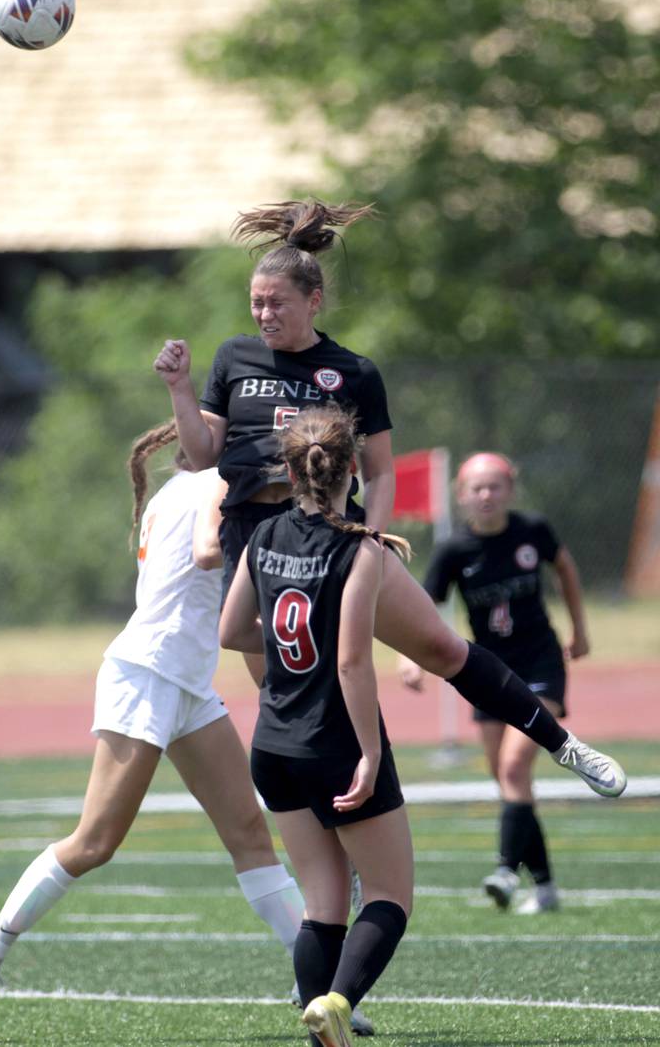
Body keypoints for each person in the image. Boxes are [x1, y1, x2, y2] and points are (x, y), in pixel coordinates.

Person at [153, 198, 627, 802]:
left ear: (313, 300)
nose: (264, 313)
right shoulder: (233, 357)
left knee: (441, 648)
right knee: (294, 698)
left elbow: (379, 474)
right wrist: (178, 388)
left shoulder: (352, 371)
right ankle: (342, 841)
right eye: (257, 302)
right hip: (258, 542)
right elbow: (199, 457)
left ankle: (562, 743)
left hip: (335, 537)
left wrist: (370, 542)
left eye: (277, 302)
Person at [0, 422, 308, 1033]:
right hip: (147, 672)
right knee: (95, 843)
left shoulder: (201, 485)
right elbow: (209, 553)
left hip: (187, 682)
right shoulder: (212, 485)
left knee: (251, 832)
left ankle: (321, 984)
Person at [220, 403, 413, 1047]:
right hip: (331, 742)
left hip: (272, 743)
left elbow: (230, 630)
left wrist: (284, 651)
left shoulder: (264, 535)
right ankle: (336, 1002)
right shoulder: (361, 547)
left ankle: (318, 1024)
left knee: (323, 901)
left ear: (291, 468)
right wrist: (369, 754)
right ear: (350, 468)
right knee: (388, 894)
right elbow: (353, 661)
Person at [419, 451, 594, 914]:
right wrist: (409, 658)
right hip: (489, 674)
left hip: (540, 666)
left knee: (515, 770)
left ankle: (503, 871)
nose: (486, 495)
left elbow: (567, 569)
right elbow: (420, 606)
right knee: (508, 780)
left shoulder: (532, 531)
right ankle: (547, 887)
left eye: (495, 486)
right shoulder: (455, 550)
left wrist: (580, 628)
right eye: (476, 487)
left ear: (510, 490)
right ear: (462, 495)